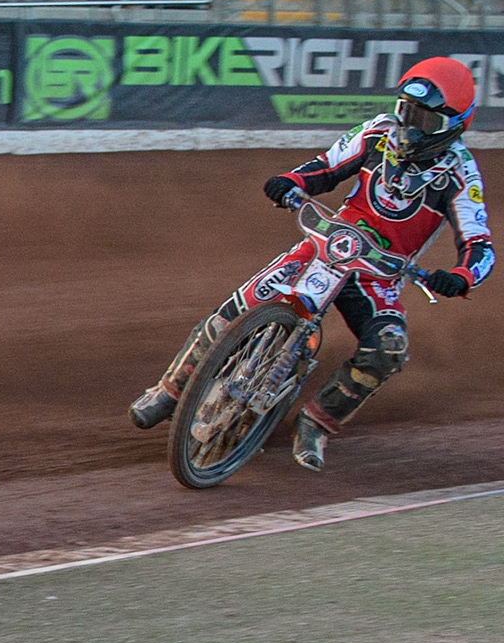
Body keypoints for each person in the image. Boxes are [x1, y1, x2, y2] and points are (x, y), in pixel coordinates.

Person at [129, 57, 492, 471]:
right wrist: (291, 182)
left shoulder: (461, 175)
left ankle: (316, 423)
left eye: (424, 120)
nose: (410, 127)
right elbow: (326, 166)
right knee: (233, 312)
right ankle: (170, 390)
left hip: (380, 276)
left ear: (453, 124)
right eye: (407, 112)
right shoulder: (377, 133)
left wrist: (460, 276)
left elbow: (480, 246)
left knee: (388, 349)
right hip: (329, 242)